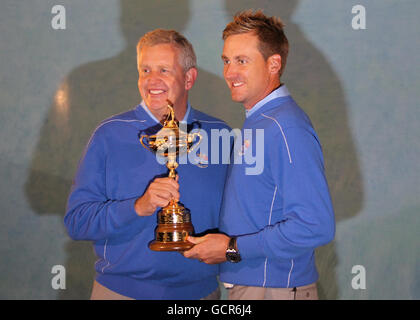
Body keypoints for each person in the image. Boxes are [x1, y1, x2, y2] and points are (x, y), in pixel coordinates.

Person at [64, 29, 230, 300]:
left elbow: (238, 217)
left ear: (189, 78)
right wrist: (138, 207)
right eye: (145, 70)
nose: (152, 81)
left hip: (201, 294)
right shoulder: (109, 134)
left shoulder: (219, 134)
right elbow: (77, 221)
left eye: (164, 70)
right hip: (121, 292)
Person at [183, 10, 335, 300]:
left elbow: (315, 224)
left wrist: (231, 248)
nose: (229, 72)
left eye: (242, 61)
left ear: (273, 63)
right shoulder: (261, 120)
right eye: (226, 61)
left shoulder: (286, 126)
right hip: (254, 285)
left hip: (274, 288)